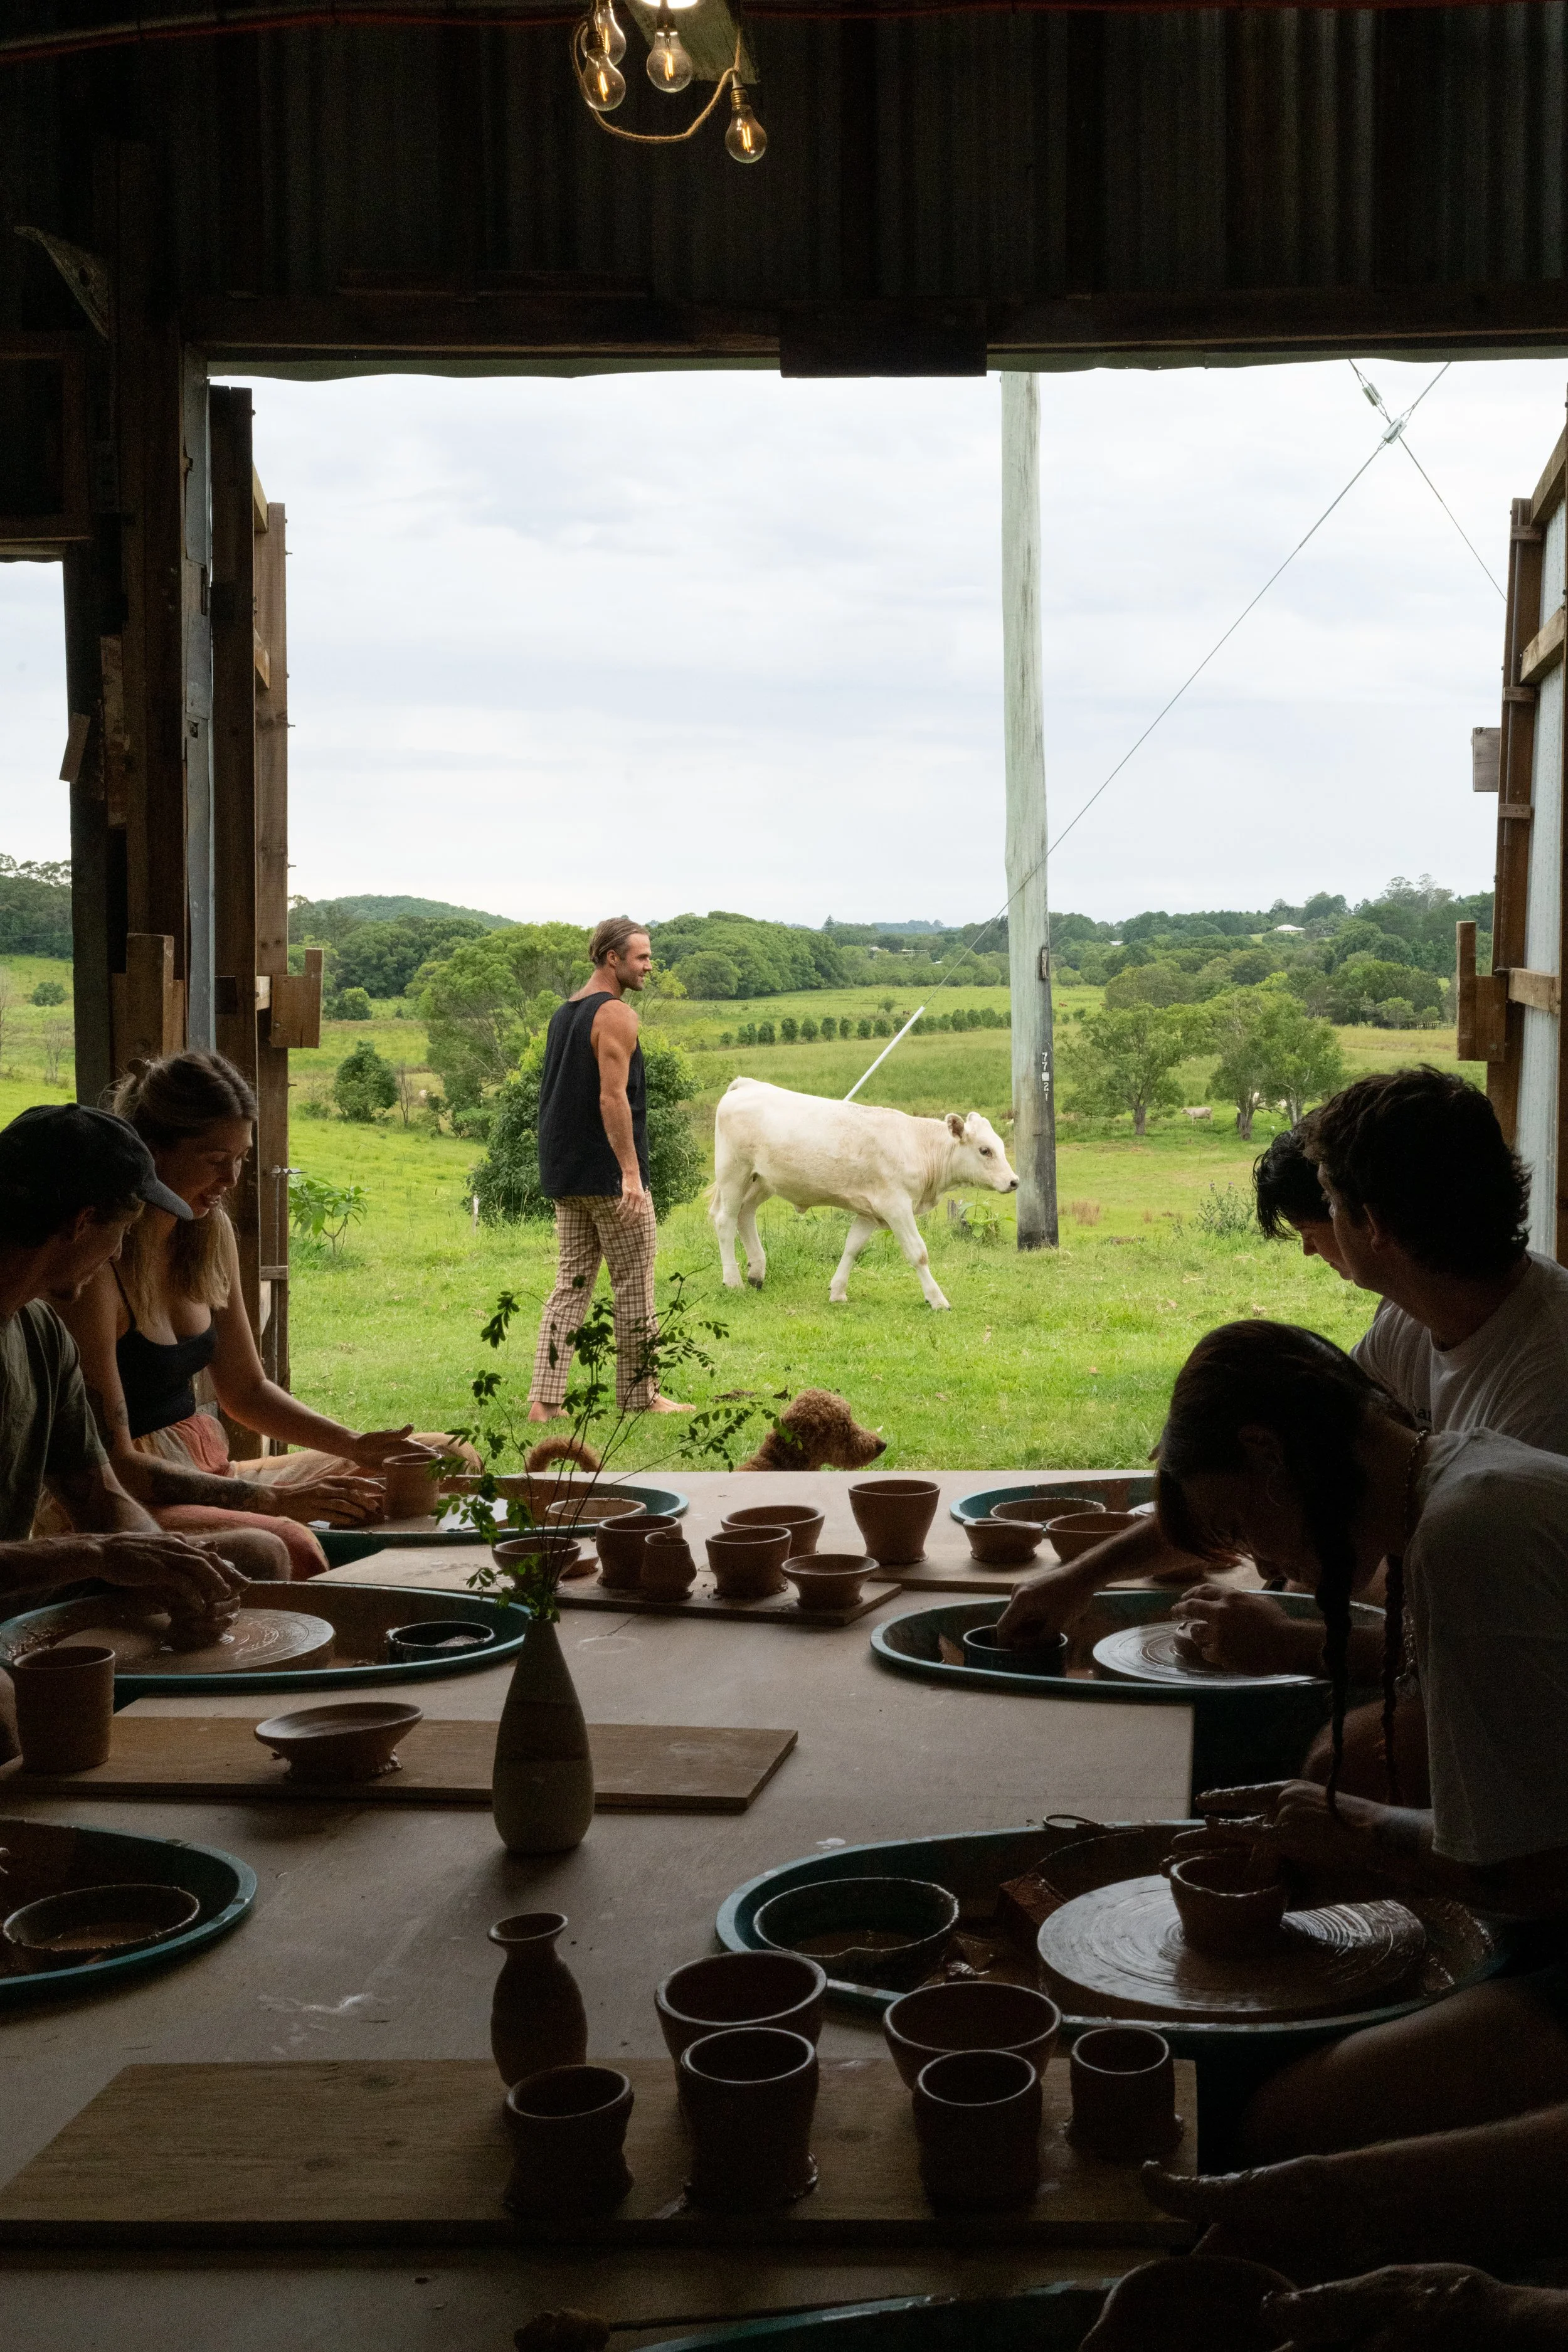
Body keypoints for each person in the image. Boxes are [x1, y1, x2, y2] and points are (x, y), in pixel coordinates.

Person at [998, 1067, 1568, 1683]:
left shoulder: (1547, 1380)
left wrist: (1290, 1644)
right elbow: (1283, 1463)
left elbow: (1496, 1663)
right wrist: (1080, 1576)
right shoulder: (1409, 1326)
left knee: (1324, 1756)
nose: (1314, 1232)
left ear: (1370, 1224)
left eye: (1327, 1199)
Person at [1153, 1319, 1568, 2164]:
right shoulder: (1460, 1480)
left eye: (1240, 1523)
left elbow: (1539, 1874)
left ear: (1268, 1452)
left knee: (1285, 2126)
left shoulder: (1468, 1533)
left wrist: (1362, 1833)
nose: (1264, 1564)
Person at [52, 1052, 457, 1579]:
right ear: (151, 1153)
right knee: (283, 1541)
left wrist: (355, 1446)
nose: (232, 1178)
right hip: (130, 1493)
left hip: (208, 1468)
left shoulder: (207, 1234)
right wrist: (275, 1500)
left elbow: (244, 1391)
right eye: (214, 1158)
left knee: (445, 1458)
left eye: (241, 1158)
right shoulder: (97, 1269)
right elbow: (118, 1469)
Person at [0, 1103, 252, 1757]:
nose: (119, 1253)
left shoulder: (40, 1331)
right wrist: (101, 1555)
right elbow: (95, 1540)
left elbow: (99, 1495)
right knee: (20, 1728)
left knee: (247, 1561)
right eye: (122, 1233)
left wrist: (170, 1568)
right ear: (83, 1222)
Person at [527, 916, 689, 1422]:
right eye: (641, 957)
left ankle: (545, 1403)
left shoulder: (565, 1013)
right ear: (612, 958)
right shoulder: (616, 1014)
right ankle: (641, 1396)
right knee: (635, 1285)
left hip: (564, 1170)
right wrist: (631, 1175)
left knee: (569, 1286)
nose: (649, 965)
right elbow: (611, 1096)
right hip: (606, 1176)